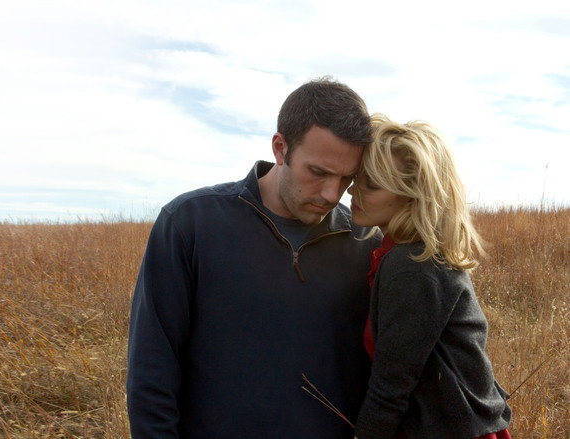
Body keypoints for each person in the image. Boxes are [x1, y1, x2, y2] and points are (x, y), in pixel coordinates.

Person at [127, 77, 383, 439]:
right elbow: (152, 368)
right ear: (280, 147)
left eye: (347, 179)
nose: (331, 194)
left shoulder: (366, 242)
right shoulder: (190, 224)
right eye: (318, 172)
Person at [347, 114, 512, 439]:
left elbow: (390, 388)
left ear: (412, 195)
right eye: (357, 178)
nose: (352, 189)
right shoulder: (411, 253)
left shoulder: (412, 264)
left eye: (371, 184)